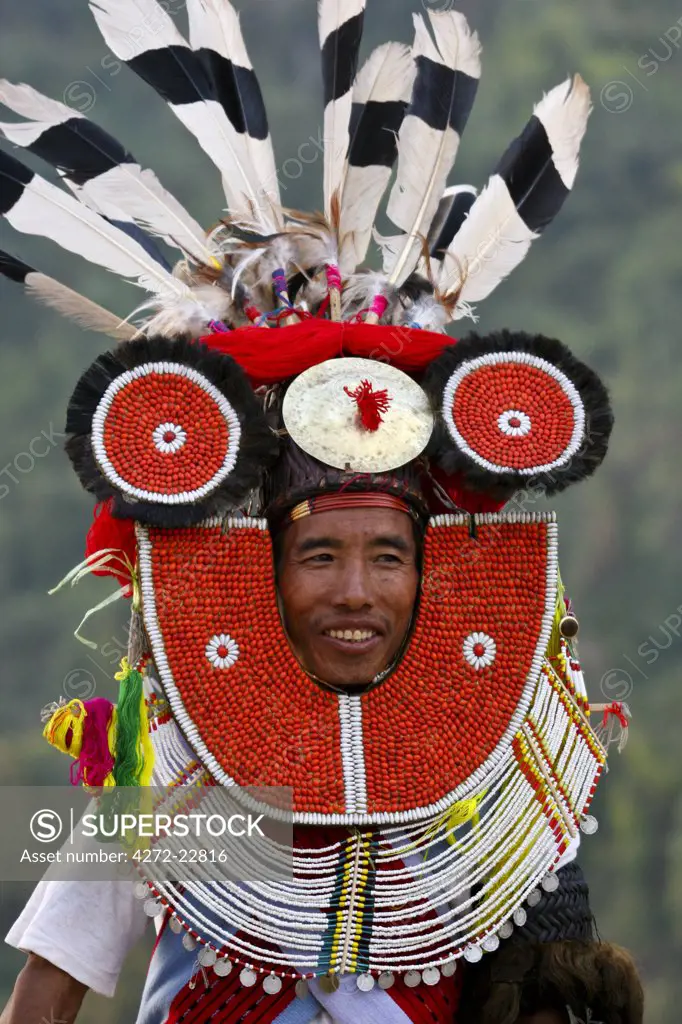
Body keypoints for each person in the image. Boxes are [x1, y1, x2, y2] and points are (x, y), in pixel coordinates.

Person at [0, 1, 643, 1021]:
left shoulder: (497, 759)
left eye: (388, 556)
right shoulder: (174, 765)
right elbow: (51, 979)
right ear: (265, 568)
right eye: (320, 555)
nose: (356, 590)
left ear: (427, 571)